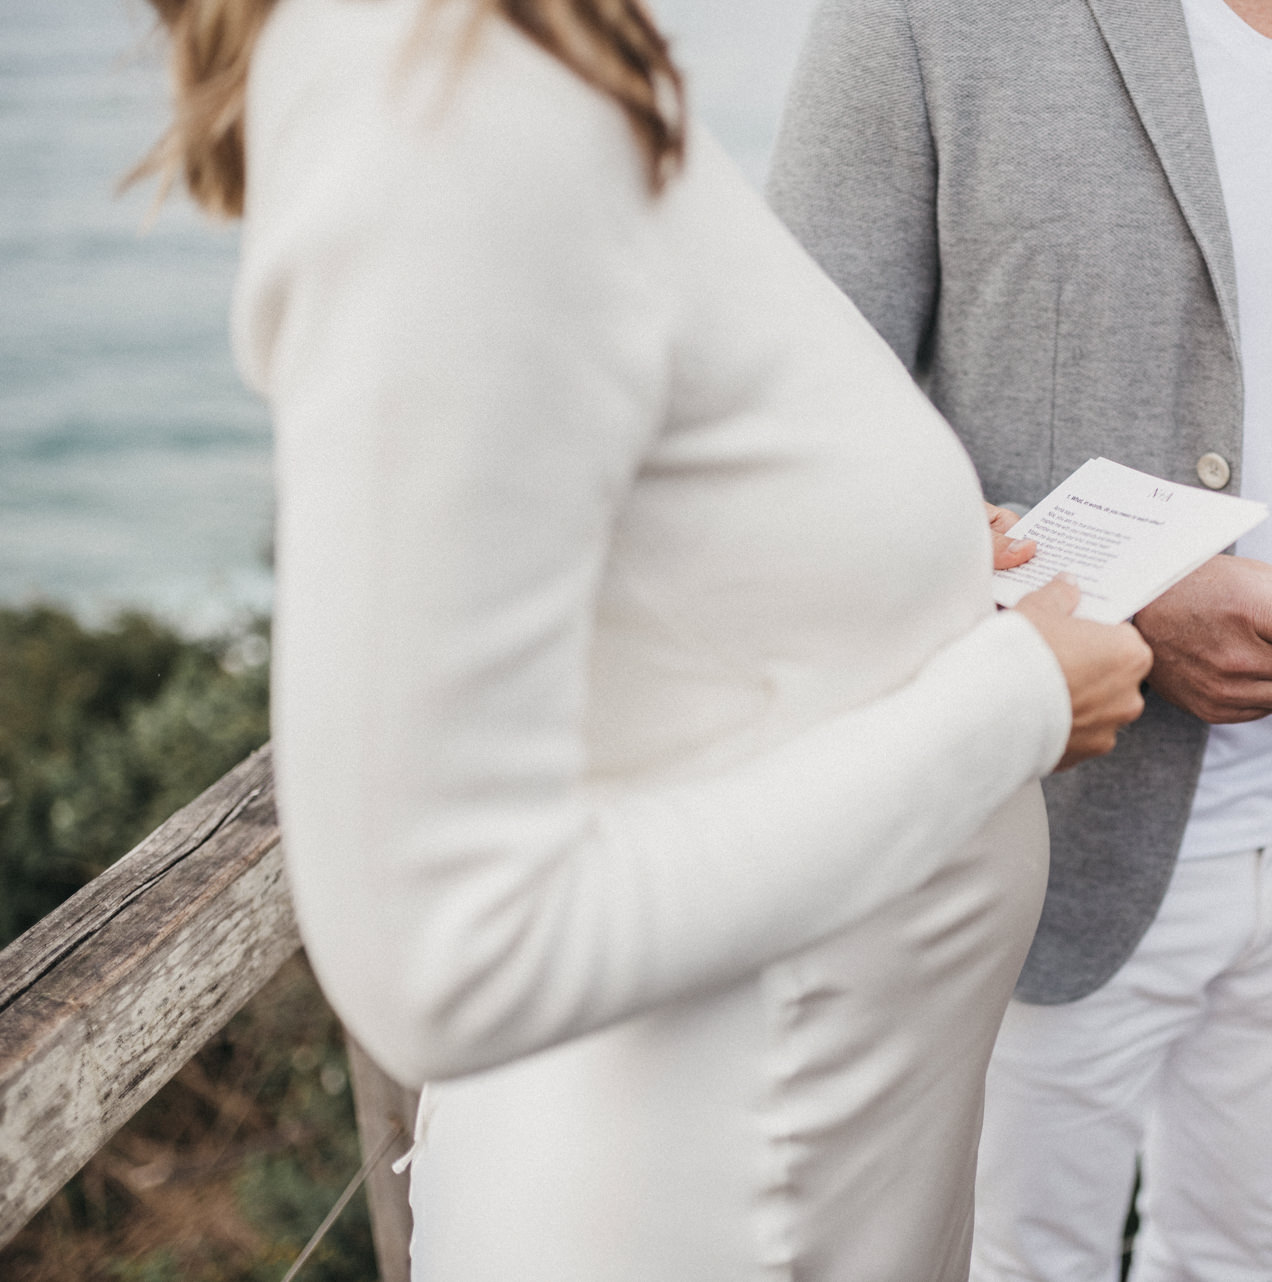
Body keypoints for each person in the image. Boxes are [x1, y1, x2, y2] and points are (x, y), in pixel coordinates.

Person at [137, 0, 1155, 1277]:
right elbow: (445, 951)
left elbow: (660, 545)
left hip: (820, 1176)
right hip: (715, 1207)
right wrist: (1019, 703)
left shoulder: (534, 57)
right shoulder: (445, 106)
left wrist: (926, 558)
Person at [768, 0, 1272, 1276]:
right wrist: (1103, 597)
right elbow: (800, 428)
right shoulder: (914, 19)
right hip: (1026, 852)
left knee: (1248, 1257)